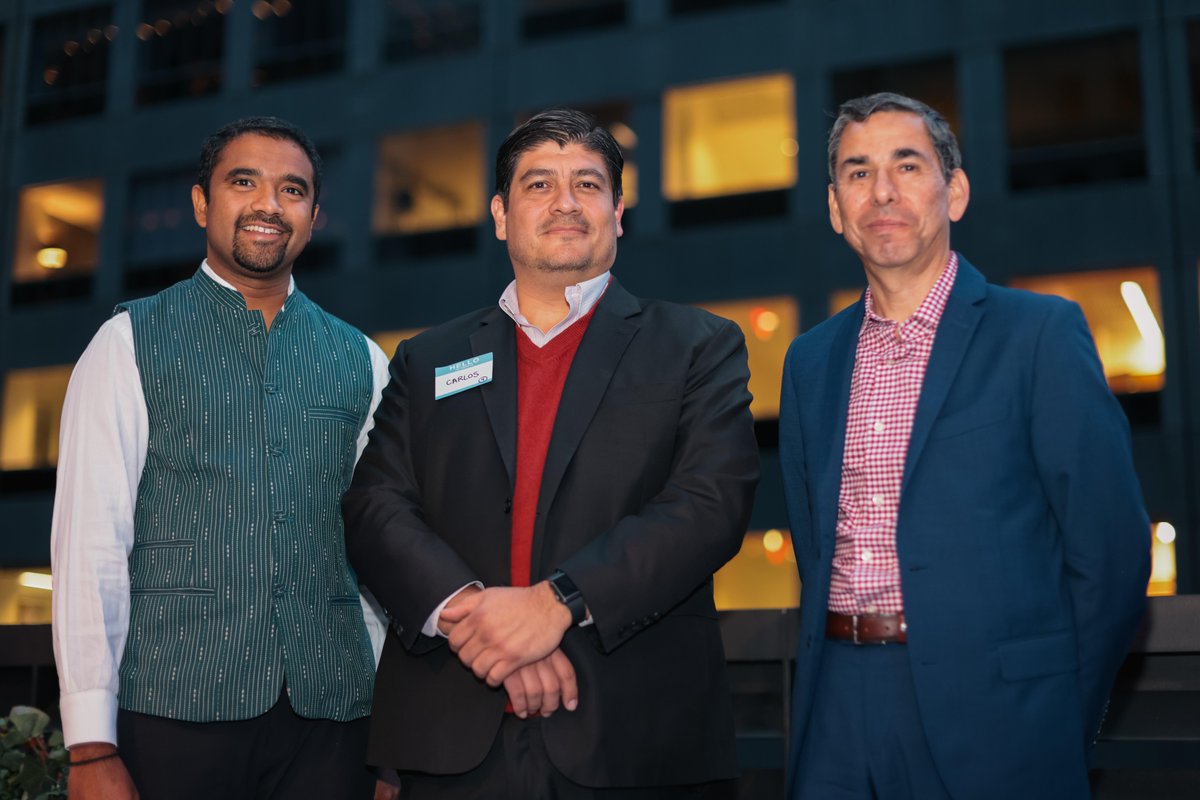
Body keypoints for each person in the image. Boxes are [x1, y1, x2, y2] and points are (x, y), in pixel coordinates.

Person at [342, 107, 759, 798]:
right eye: (539, 185)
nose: (566, 202)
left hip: (633, 741)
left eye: (587, 184)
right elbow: (374, 507)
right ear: (501, 215)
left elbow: (710, 504)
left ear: (618, 213)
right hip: (449, 744)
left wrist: (559, 603)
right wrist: (481, 619)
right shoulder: (427, 359)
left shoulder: (697, 345)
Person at [779, 91, 1150, 799]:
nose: (881, 191)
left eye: (907, 166)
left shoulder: (1038, 335)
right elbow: (811, 541)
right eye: (857, 172)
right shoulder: (809, 361)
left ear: (955, 192)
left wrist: (1054, 719)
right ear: (834, 209)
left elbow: (1110, 553)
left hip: (999, 714)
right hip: (835, 708)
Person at [51, 116, 395, 800]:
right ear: (203, 204)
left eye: (292, 190)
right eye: (245, 182)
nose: (269, 204)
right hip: (174, 711)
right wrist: (90, 747)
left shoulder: (362, 359)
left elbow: (384, 548)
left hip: (333, 720)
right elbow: (90, 546)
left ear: (314, 216)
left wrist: (393, 741)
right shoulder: (127, 344)